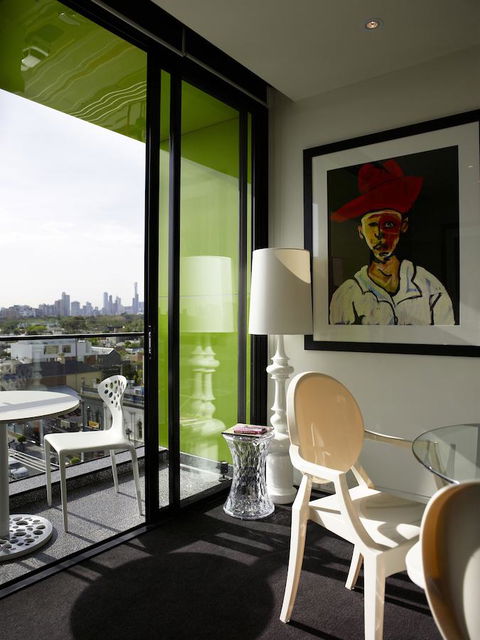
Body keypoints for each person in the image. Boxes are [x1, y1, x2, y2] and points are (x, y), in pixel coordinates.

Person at [329, 159, 454, 325]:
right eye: (372, 225)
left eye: (389, 224)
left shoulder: (430, 288)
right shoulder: (347, 295)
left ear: (403, 226)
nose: (380, 234)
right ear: (361, 231)